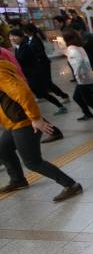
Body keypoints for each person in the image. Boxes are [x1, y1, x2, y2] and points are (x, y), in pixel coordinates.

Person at [0, 56, 83, 201]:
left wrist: (36, 118)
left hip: (23, 122)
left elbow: (22, 92)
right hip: (13, 122)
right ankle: (18, 180)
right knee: (4, 149)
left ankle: (71, 185)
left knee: (32, 161)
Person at [8, 29, 68, 116]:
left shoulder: (25, 47)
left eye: (15, 36)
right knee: (41, 93)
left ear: (21, 37)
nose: (12, 38)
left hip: (34, 75)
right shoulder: (19, 47)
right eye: (10, 36)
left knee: (42, 93)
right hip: (30, 75)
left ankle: (61, 106)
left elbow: (19, 61)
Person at [23, 23, 70, 103]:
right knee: (39, 82)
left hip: (43, 64)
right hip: (37, 65)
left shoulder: (36, 40)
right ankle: (40, 95)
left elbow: (40, 52)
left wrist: (33, 58)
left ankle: (63, 96)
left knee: (48, 82)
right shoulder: (27, 39)